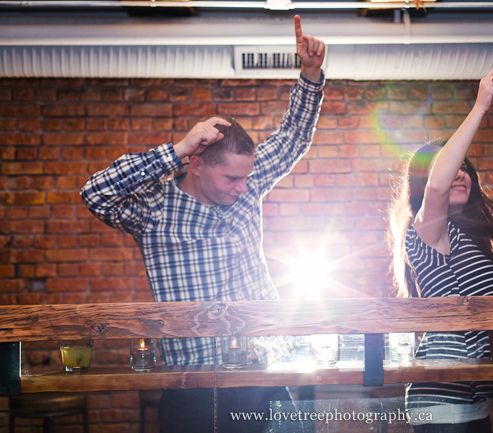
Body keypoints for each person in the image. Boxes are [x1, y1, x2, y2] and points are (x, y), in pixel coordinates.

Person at [80, 15, 325, 433]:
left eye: (247, 177)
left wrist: (310, 73)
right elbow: (95, 192)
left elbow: (293, 137)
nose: (244, 188)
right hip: (194, 382)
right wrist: (174, 151)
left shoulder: (247, 181)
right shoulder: (155, 208)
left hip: (264, 368)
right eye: (232, 178)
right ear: (195, 164)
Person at [388, 67, 493, 433]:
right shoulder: (427, 231)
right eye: (450, 168)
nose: (459, 173)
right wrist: (480, 107)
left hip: (471, 400)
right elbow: (437, 187)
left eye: (465, 167)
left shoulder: (471, 238)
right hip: (442, 399)